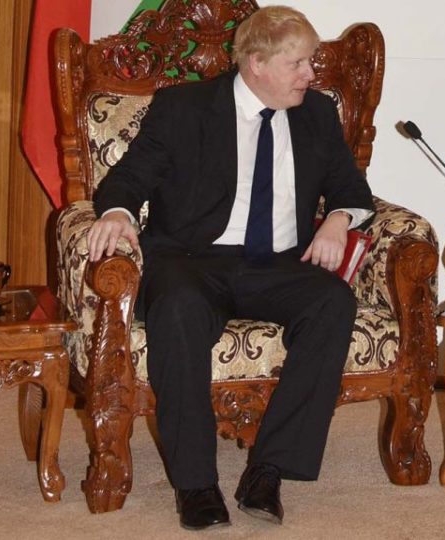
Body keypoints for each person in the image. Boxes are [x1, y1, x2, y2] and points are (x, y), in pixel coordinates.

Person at [87, 6, 374, 531]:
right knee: (177, 308)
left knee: (332, 302)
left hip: (281, 263)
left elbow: (352, 187)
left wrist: (337, 218)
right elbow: (130, 177)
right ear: (257, 64)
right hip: (194, 259)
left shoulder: (316, 113)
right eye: (300, 64)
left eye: (311, 62)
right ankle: (195, 484)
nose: (312, 75)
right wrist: (117, 214)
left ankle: (268, 469)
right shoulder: (184, 107)